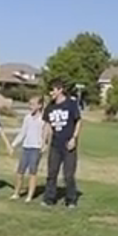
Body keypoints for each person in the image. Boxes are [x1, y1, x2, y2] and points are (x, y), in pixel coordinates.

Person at [42, 80, 83, 208]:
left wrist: (74, 138)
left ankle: (71, 200)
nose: (51, 93)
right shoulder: (50, 107)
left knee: (68, 174)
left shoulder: (71, 104)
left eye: (53, 90)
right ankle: (49, 198)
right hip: (55, 145)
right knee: (52, 173)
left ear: (59, 90)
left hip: (68, 145)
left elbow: (78, 122)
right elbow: (47, 125)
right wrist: (44, 141)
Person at [10, 96, 47, 202]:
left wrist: (44, 145)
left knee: (32, 172)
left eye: (33, 104)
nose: (30, 106)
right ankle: (16, 193)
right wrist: (13, 145)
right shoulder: (27, 118)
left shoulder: (44, 119)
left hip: (36, 148)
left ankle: (30, 196)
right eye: (29, 104)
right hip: (26, 147)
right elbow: (22, 133)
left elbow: (47, 133)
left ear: (39, 105)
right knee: (20, 171)